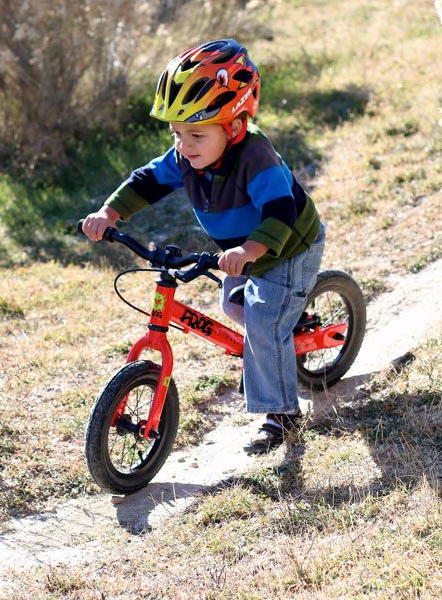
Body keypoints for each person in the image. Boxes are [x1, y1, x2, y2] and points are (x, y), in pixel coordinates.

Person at [82, 39, 325, 454]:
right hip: (241, 253)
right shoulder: (185, 157)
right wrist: (110, 213)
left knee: (264, 323)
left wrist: (250, 251)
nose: (184, 145)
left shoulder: (256, 157)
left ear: (234, 126)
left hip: (286, 248)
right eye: (177, 133)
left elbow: (280, 211)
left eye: (195, 133)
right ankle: (292, 325)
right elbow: (148, 180)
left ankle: (282, 416)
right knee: (235, 307)